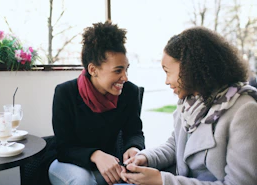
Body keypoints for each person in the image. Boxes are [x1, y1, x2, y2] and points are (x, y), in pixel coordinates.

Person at [119, 26, 257, 185]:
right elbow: (175, 146)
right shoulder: (190, 104)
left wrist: (163, 181)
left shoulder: (245, 110)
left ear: (189, 68)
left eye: (168, 71)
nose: (167, 81)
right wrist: (145, 158)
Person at [48, 21, 145, 185]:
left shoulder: (130, 92)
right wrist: (96, 155)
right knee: (82, 181)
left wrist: (133, 148)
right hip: (68, 164)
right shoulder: (65, 93)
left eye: (126, 69)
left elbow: (134, 132)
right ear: (93, 70)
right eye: (118, 70)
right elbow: (64, 148)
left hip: (109, 165)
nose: (125, 77)